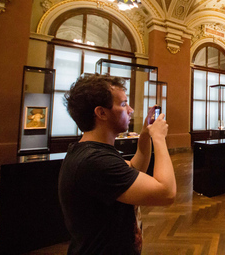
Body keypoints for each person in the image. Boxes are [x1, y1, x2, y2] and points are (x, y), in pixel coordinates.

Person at [58, 73, 176, 254]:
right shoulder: (94, 161)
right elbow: (166, 193)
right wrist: (159, 139)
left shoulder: (94, 152)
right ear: (101, 113)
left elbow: (135, 169)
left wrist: (145, 135)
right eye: (123, 104)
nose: (130, 109)